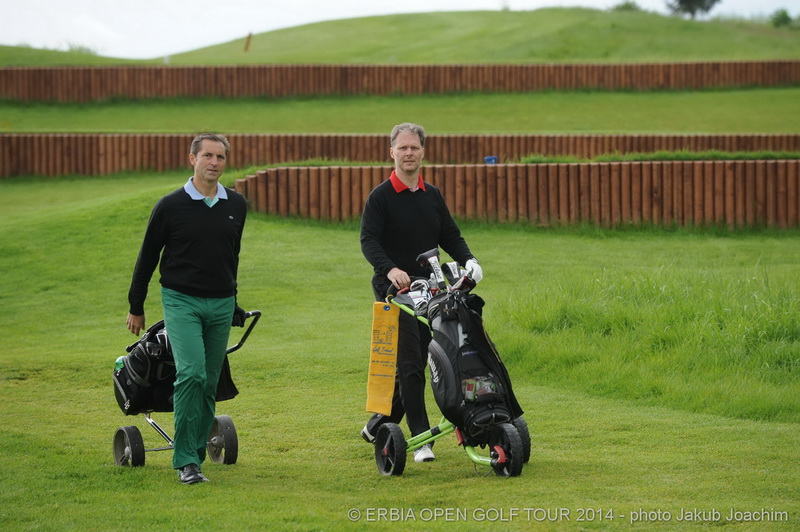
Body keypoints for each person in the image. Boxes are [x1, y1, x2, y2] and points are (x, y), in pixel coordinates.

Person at [126, 133, 248, 484]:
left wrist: (233, 300)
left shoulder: (236, 204)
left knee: (209, 381)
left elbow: (231, 256)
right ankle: (185, 461)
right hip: (181, 300)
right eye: (207, 155)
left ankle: (195, 454)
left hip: (220, 303)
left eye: (220, 157)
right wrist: (136, 305)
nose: (214, 162)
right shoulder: (170, 206)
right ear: (192, 158)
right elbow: (148, 257)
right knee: (191, 373)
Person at [359, 122, 483, 463]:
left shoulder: (433, 195)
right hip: (394, 291)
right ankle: (420, 440)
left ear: (423, 152)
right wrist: (390, 269)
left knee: (427, 360)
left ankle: (377, 426)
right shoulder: (381, 197)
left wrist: (469, 260)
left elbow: (449, 235)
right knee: (411, 364)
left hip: (431, 289)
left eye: (414, 147)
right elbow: (368, 241)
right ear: (392, 152)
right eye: (403, 147)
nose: (409, 153)